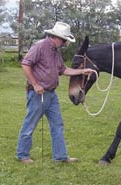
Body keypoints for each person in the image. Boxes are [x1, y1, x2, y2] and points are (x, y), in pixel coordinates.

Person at [16, 22, 94, 164]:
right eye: (64, 40)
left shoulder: (56, 51)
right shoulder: (40, 46)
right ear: (56, 37)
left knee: (57, 125)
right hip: (38, 94)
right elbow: (25, 64)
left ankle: (60, 157)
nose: (65, 43)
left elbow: (63, 70)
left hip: (51, 94)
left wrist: (82, 71)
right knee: (30, 125)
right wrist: (35, 84)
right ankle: (22, 155)